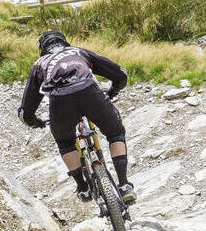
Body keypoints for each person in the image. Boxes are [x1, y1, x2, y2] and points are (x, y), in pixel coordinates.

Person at [18, 30, 136, 203]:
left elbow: (26, 111)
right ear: (65, 42)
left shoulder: (39, 64)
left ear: (42, 49)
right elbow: (120, 74)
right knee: (115, 133)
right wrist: (112, 92)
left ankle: (83, 188)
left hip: (60, 102)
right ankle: (124, 185)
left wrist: (37, 123)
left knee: (65, 143)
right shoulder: (78, 51)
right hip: (90, 92)